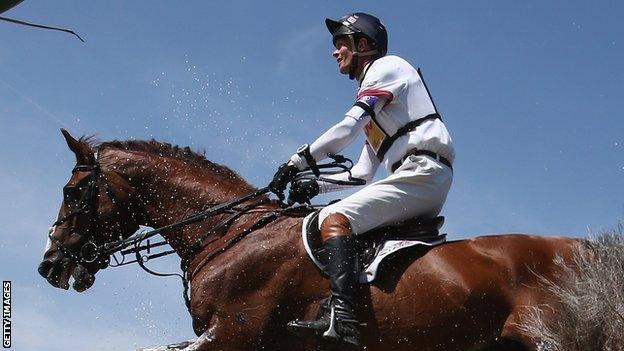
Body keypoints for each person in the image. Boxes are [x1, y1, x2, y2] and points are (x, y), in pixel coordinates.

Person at [269, 12, 455, 347]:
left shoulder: (387, 68)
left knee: (333, 218)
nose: (334, 51)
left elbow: (347, 129)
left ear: (363, 44)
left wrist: (296, 161)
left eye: (340, 42)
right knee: (334, 213)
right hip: (419, 176)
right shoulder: (385, 109)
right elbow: (360, 175)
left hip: (421, 172)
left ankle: (343, 320)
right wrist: (316, 184)